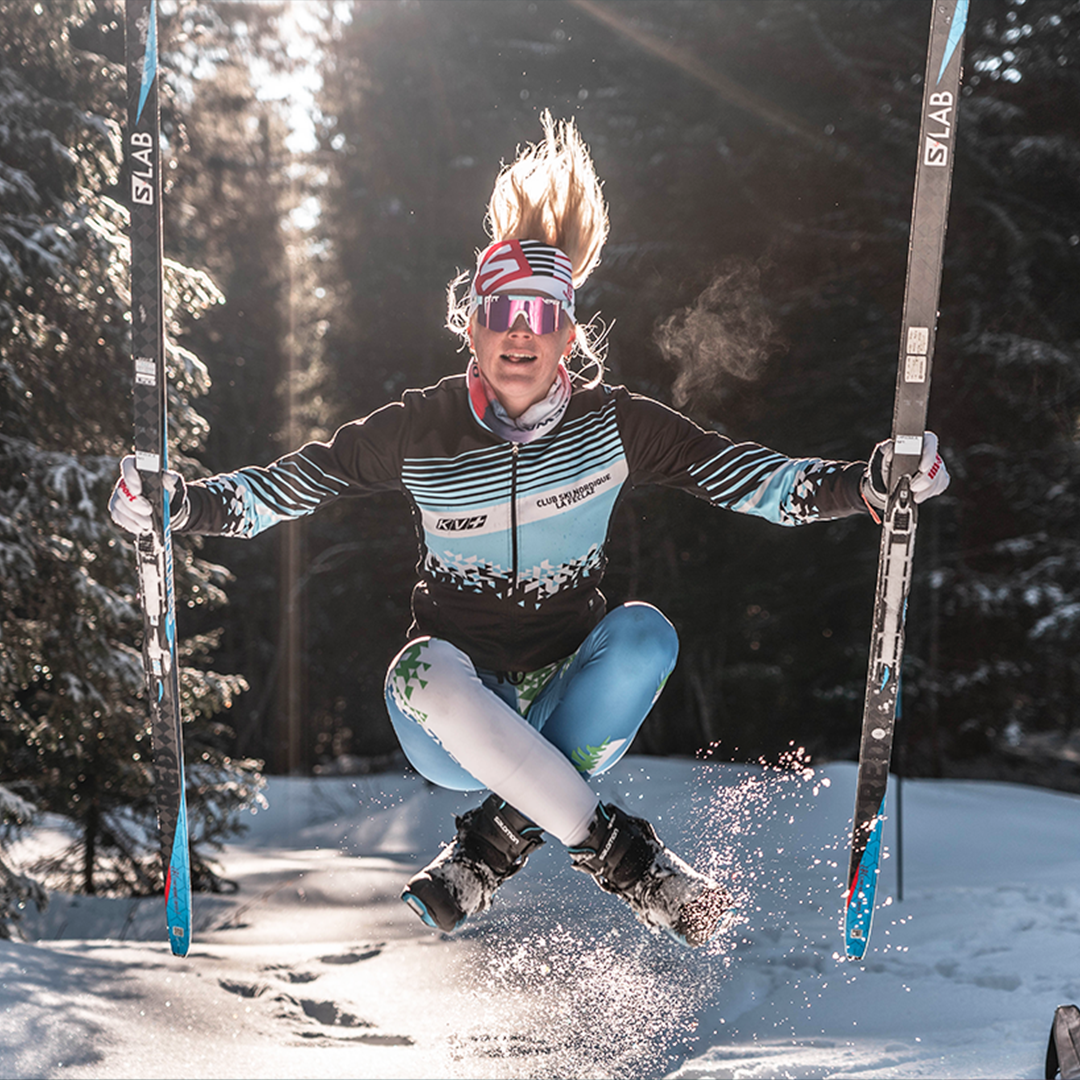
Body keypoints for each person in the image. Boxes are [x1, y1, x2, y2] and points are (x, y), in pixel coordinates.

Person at [110, 112, 949, 948]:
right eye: (502, 310)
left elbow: (747, 478)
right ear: (470, 326)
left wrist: (868, 486)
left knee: (646, 633)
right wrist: (180, 504)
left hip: (574, 702)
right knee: (422, 669)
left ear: (569, 337)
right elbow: (288, 485)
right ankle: (629, 862)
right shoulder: (419, 429)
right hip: (449, 717)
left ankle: (486, 852)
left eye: (543, 316)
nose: (521, 330)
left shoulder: (611, 426)